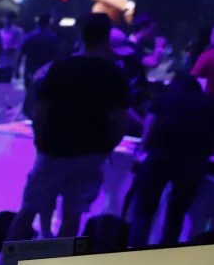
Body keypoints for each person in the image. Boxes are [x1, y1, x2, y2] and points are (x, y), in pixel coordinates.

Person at [8, 14, 129, 241]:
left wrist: (40, 141)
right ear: (106, 38)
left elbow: (41, 111)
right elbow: (120, 120)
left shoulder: (60, 68)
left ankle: (9, 258)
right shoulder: (115, 74)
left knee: (29, 208)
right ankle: (59, 259)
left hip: (54, 149)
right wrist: (106, 148)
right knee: (72, 216)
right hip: (91, 152)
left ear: (81, 35)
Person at [127, 75, 214, 247]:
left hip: (159, 157)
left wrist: (144, 149)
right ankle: (167, 253)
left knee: (144, 212)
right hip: (193, 162)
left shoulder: (163, 100)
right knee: (176, 214)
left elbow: (147, 131)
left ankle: (135, 252)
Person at [19, 13, 59, 89]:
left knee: (30, 90)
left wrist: (16, 68)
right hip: (46, 71)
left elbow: (21, 53)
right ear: (48, 24)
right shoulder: (52, 38)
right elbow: (56, 56)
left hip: (30, 69)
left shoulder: (29, 37)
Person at [0, 13, 22, 83]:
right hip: (0, 62)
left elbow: (19, 48)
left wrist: (16, 67)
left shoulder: (17, 32)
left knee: (6, 82)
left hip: (10, 62)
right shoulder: (0, 32)